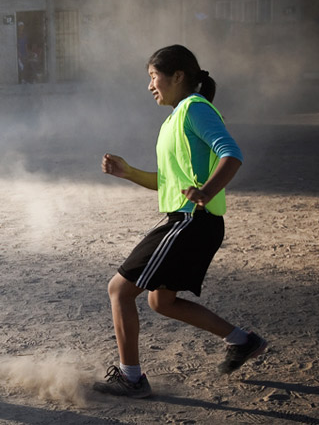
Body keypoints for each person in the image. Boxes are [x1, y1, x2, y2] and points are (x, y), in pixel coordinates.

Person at [95, 45, 267, 398]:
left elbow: (232, 154)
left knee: (120, 289)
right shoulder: (175, 119)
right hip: (190, 220)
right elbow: (167, 182)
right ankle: (243, 341)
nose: (150, 85)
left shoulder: (194, 109)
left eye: (154, 76)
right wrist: (128, 172)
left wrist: (205, 192)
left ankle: (131, 379)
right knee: (162, 301)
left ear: (178, 76)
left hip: (190, 221)